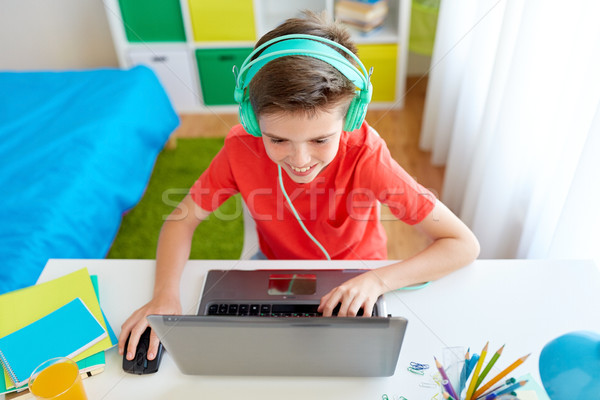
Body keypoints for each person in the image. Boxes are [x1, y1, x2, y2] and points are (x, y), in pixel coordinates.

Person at [118, 11, 480, 363]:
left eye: (321, 140)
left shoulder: (367, 155)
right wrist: (164, 296)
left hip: (360, 276)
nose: (300, 159)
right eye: (277, 140)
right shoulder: (240, 148)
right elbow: (180, 221)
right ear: (251, 118)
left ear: (352, 116)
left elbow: (462, 244)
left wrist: (377, 282)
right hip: (277, 273)